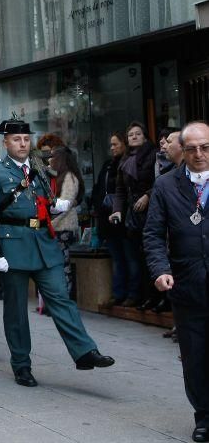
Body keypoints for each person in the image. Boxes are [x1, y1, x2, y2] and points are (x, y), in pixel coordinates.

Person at [0, 116, 114, 387]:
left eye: (26, 139)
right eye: (16, 139)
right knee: (16, 310)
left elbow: (41, 203)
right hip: (12, 245)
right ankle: (21, 365)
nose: (23, 144)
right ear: (5, 142)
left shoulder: (38, 168)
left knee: (60, 298)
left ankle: (85, 351)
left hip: (43, 241)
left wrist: (55, 207)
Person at [143, 122, 209, 443]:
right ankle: (205, 417)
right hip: (187, 284)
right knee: (195, 355)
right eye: (192, 148)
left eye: (205, 147)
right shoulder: (166, 185)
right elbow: (153, 233)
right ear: (181, 150)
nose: (199, 154)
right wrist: (160, 269)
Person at [110, 121, 157, 310]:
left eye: (138, 134)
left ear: (144, 137)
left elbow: (161, 180)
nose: (134, 137)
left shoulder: (153, 154)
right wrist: (117, 210)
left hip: (151, 210)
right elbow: (120, 189)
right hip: (133, 214)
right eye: (131, 135)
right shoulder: (125, 159)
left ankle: (157, 297)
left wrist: (148, 195)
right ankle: (144, 295)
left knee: (152, 255)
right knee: (137, 257)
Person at [94, 132, 137, 306]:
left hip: (125, 220)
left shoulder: (128, 164)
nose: (112, 148)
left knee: (131, 258)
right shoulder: (107, 165)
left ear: (124, 144)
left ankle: (133, 294)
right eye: (110, 145)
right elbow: (99, 189)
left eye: (115, 144)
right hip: (108, 220)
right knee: (118, 259)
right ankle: (119, 293)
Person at [48, 147, 85, 295]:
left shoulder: (69, 177)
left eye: (53, 157)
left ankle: (65, 296)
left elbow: (66, 203)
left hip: (63, 226)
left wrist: (50, 216)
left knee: (63, 263)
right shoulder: (58, 176)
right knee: (59, 263)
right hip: (57, 225)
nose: (50, 160)